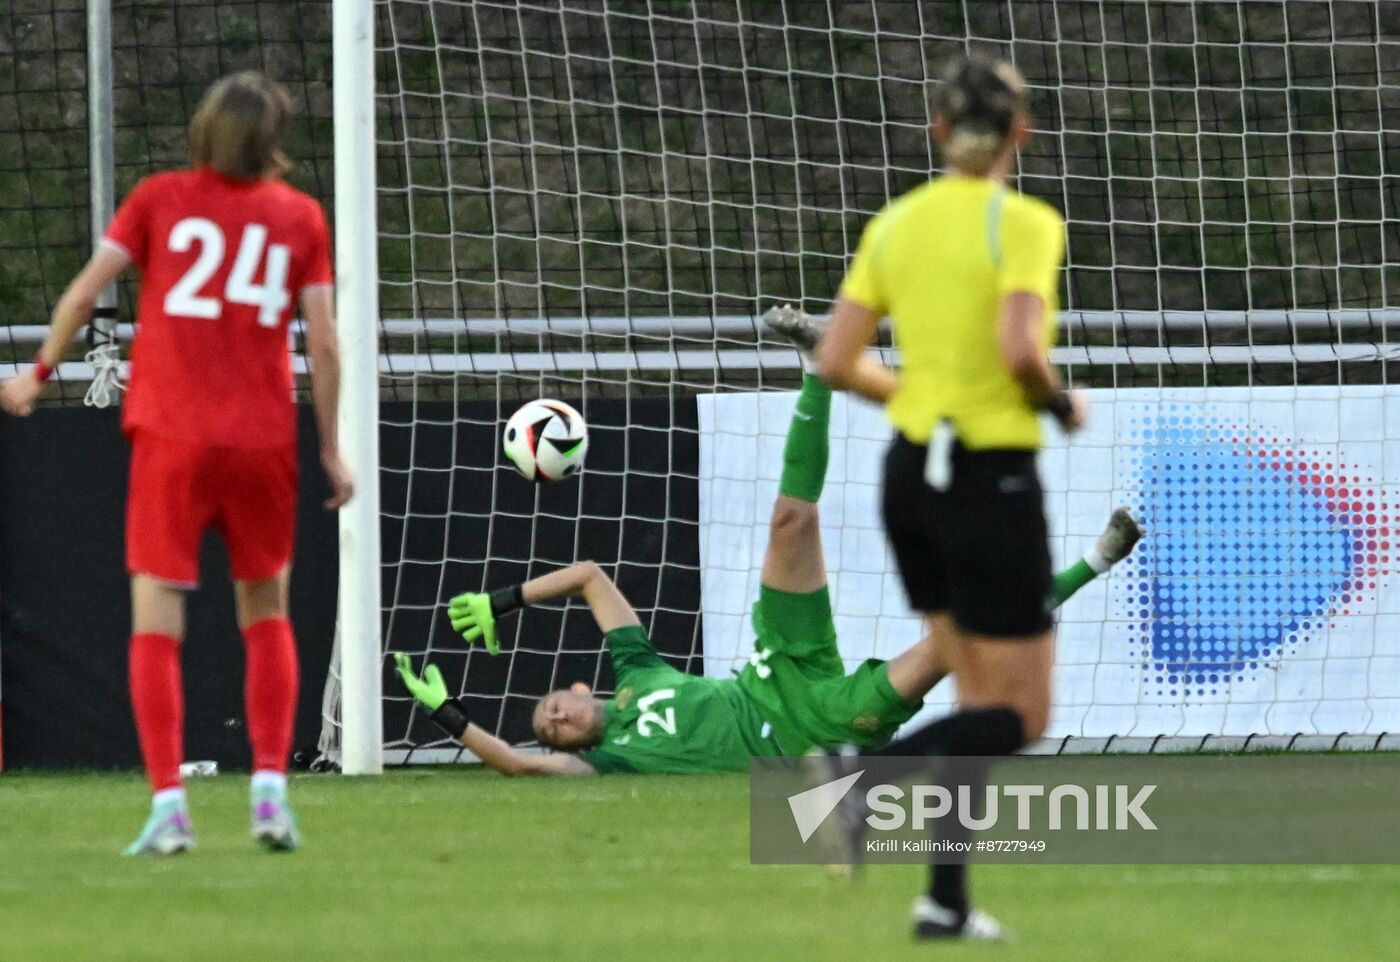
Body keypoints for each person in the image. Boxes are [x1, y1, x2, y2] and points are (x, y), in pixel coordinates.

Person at [394, 327, 1137, 777]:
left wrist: (504, 599)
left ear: (583, 690)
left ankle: (817, 368)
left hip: (775, 665)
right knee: (959, 641)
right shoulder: (608, 763)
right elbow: (521, 764)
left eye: (553, 706)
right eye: (551, 726)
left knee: (791, 521)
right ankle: (1096, 560)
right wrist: (449, 717)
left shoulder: (635, 672)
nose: (553, 722)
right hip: (823, 725)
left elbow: (591, 576)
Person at [0, 72, 354, 856]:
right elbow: (324, 342)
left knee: (157, 616)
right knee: (265, 613)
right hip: (261, 439)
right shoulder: (299, 217)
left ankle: (169, 806)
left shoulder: (160, 198)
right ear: (275, 140)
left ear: (201, 129)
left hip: (173, 435)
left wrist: (40, 371)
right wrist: (329, 445)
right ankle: (269, 794)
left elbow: (85, 293)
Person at [811, 54, 1078, 941]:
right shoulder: (1025, 223)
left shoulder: (895, 224)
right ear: (1020, 133)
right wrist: (1060, 401)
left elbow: (836, 360)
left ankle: (945, 902)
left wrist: (924, 400)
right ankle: (858, 775)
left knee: (971, 703)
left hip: (908, 475)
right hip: (987, 479)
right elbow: (1018, 351)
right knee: (1021, 716)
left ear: (936, 129)